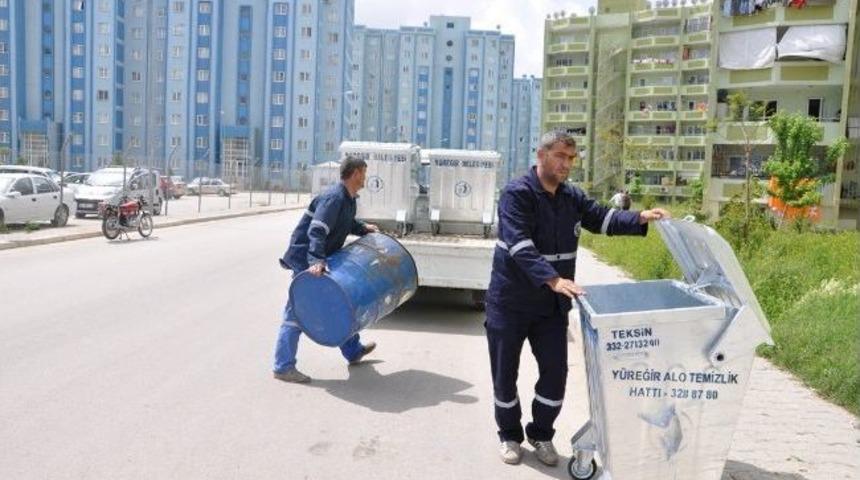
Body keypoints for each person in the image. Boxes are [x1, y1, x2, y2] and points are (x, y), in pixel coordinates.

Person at [486, 130, 669, 466]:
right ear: (541, 155)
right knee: (504, 374)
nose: (567, 164)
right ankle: (509, 436)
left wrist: (640, 217)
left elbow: (601, 218)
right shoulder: (517, 194)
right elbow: (518, 244)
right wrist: (553, 278)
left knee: (555, 375)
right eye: (560, 156)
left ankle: (541, 434)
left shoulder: (571, 196)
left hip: (551, 307)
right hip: (510, 302)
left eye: (571, 159)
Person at [272, 156, 380, 383]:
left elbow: (346, 223)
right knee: (297, 313)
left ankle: (353, 350)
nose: (365, 177)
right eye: (364, 172)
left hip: (319, 258)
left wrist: (363, 228)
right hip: (306, 259)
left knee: (336, 305)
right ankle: (283, 366)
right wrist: (315, 261)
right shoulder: (334, 198)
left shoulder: (348, 199)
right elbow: (317, 231)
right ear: (355, 173)